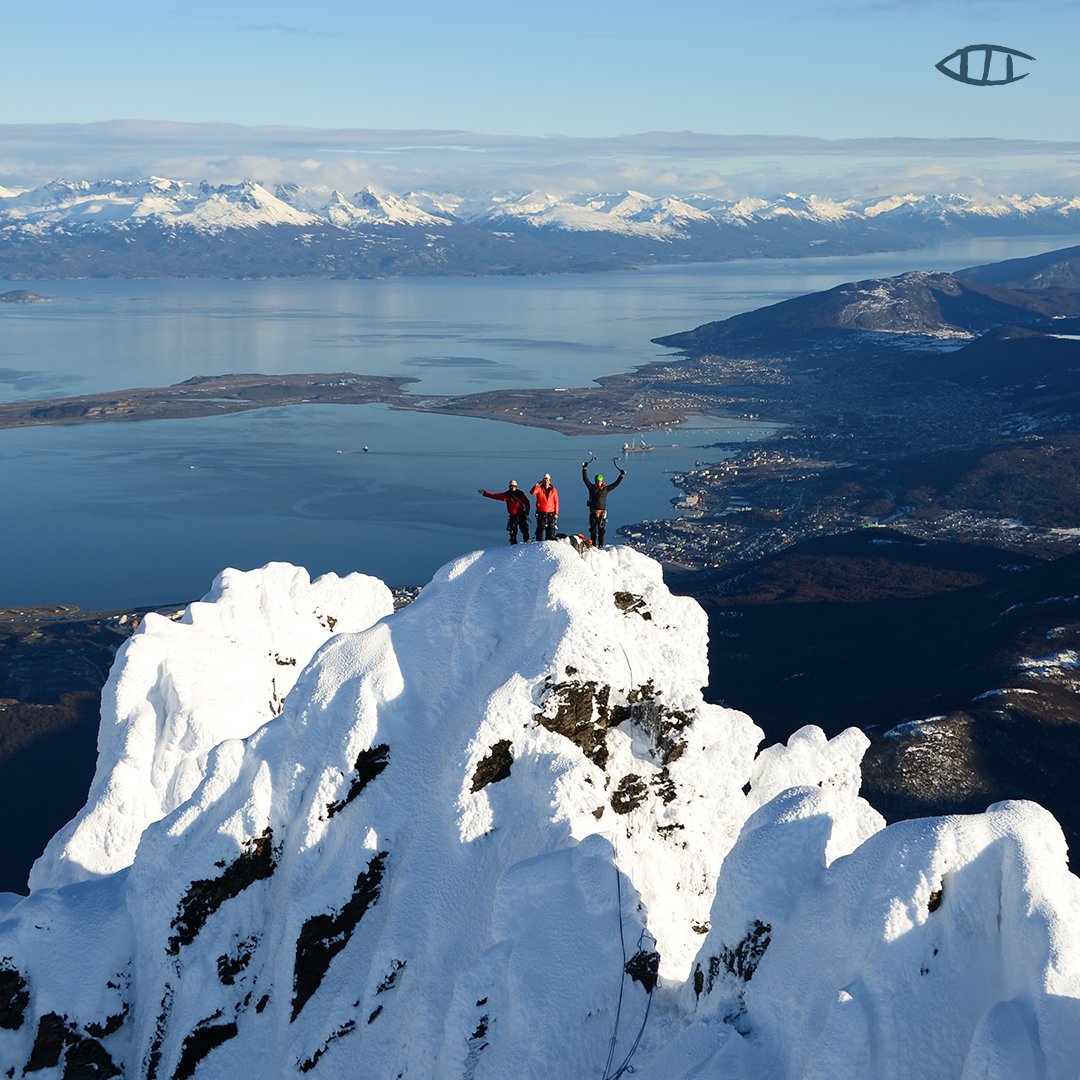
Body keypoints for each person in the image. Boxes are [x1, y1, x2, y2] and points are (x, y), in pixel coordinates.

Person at [581, 463, 625, 549]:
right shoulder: (591, 488)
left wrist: (621, 476)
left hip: (602, 514)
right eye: (597, 481)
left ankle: (601, 546)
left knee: (601, 531)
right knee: (593, 530)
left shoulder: (606, 489)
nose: (598, 482)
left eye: (600, 481)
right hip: (593, 512)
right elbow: (585, 479)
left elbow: (616, 484)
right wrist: (584, 469)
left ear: (602, 481)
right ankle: (593, 545)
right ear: (595, 481)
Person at [479, 479, 531, 543]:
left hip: (521, 514)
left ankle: (527, 541)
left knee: (524, 528)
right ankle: (513, 544)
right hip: (513, 516)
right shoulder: (507, 494)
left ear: (516, 486)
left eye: (513, 486)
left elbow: (527, 502)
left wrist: (526, 512)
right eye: (511, 486)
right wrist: (485, 493)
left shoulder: (520, 494)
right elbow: (496, 496)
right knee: (513, 531)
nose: (512, 488)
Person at [530, 473, 560, 541]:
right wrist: (536, 486)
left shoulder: (553, 490)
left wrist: (556, 513)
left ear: (550, 480)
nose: (546, 481)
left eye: (547, 479)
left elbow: (556, 502)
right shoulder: (539, 488)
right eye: (545, 479)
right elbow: (532, 493)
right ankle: (539, 542)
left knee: (550, 528)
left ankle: (549, 541)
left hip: (551, 512)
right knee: (540, 528)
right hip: (541, 512)